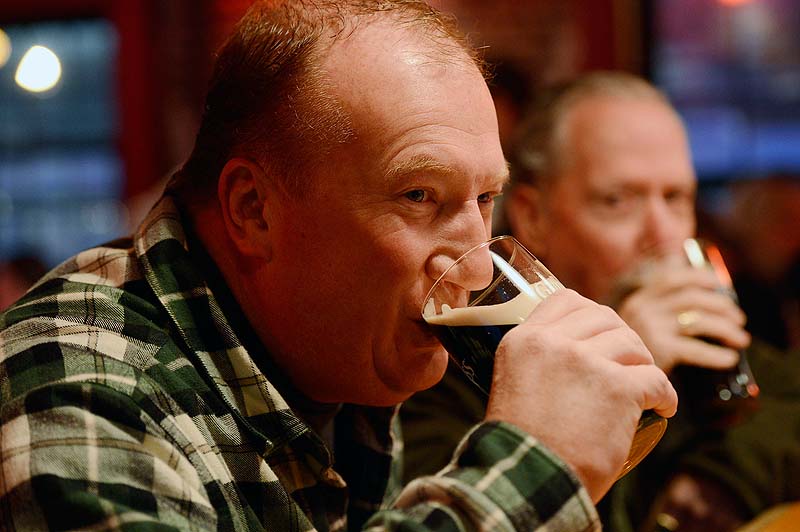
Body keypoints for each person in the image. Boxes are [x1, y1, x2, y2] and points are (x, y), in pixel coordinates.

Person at [0, 4, 677, 531]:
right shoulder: (75, 384)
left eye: (484, 199)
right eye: (419, 196)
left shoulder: (336, 354)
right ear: (253, 210)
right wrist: (533, 467)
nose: (475, 272)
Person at [401, 71, 800, 531]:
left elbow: (787, 405)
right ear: (534, 218)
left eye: (675, 198)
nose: (662, 235)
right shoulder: (447, 366)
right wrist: (618, 375)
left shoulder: (699, 336)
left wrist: (713, 485)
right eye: (617, 201)